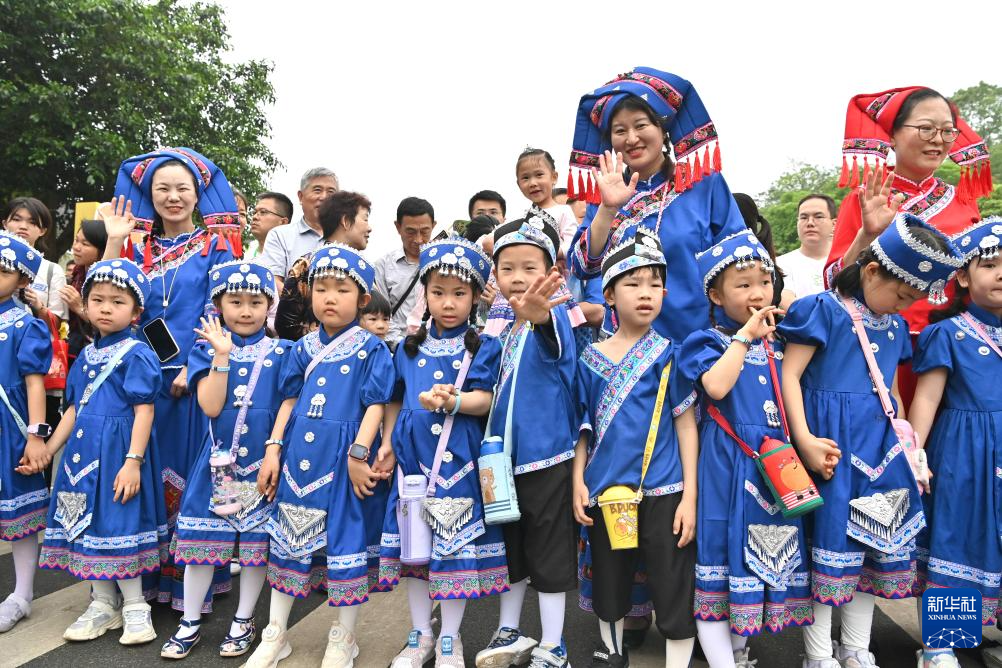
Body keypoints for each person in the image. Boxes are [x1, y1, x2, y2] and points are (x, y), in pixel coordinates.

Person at [779, 214, 963, 668]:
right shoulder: (820, 310)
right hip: (829, 450)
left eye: (913, 300)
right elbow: (790, 376)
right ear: (872, 271)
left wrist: (908, 448)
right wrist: (804, 439)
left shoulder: (895, 327)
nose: (903, 307)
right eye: (901, 296)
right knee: (825, 551)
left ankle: (857, 649)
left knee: (871, 549)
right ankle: (818, 654)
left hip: (879, 452)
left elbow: (892, 394)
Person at [105, 146, 238, 609]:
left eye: (183, 188)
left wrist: (194, 363)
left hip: (189, 382)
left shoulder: (216, 247)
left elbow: (218, 310)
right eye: (162, 188)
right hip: (139, 380)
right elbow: (110, 292)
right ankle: (139, 580)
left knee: (187, 477)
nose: (173, 196)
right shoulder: (135, 249)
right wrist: (113, 241)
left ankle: (190, 584)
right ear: (150, 195)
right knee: (139, 472)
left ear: (198, 195)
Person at [250, 244, 395, 668]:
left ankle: (344, 636)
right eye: (322, 289)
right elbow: (289, 400)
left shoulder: (372, 349)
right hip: (299, 454)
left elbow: (376, 404)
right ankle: (275, 632)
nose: (330, 298)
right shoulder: (302, 348)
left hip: (345, 454)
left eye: (342, 290)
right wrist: (273, 449)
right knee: (287, 537)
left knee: (346, 539)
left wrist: (359, 453)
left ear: (362, 299)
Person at [683, 230, 812, 668]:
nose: (758, 293)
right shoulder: (706, 341)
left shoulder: (782, 344)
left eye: (765, 281)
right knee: (719, 564)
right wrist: (744, 337)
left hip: (775, 468)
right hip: (726, 464)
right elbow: (717, 387)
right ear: (716, 295)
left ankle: (738, 653)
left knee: (757, 563)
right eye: (743, 284)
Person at [379, 237, 508, 667]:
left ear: (474, 297)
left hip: (459, 461)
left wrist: (454, 401)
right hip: (412, 462)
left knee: (453, 550)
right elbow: (394, 398)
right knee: (416, 550)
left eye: (459, 293)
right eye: (438, 292)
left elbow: (484, 400)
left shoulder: (484, 346)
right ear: (425, 294)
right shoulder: (406, 348)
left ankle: (451, 637)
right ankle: (421, 634)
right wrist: (387, 443)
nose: (448, 303)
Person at [572, 229, 698, 668]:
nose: (646, 293)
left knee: (673, 582)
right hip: (607, 491)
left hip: (665, 489)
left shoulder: (671, 354)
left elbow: (686, 425)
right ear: (609, 294)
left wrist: (690, 497)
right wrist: (577, 483)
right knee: (610, 582)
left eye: (655, 284)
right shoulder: (589, 359)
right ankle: (612, 655)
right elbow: (582, 430)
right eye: (633, 283)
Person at [824, 87, 988, 406]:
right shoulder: (864, 199)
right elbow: (834, 282)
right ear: (893, 135)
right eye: (926, 128)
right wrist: (867, 234)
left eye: (947, 131)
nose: (938, 139)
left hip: (954, 349)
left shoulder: (964, 202)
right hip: (881, 346)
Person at [163, 261, 291, 659]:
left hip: (264, 464)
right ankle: (189, 621)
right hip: (219, 464)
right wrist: (222, 355)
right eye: (235, 302)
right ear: (219, 304)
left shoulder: (284, 351)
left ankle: (243, 618)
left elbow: (289, 403)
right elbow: (211, 406)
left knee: (254, 546)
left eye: (256, 302)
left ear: (269, 305)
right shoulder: (206, 348)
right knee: (203, 542)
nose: (246, 310)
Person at [568, 67, 747, 346]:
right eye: (619, 130)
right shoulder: (604, 195)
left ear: (663, 130)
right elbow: (582, 267)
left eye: (641, 125)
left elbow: (739, 258)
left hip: (701, 341)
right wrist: (607, 209)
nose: (631, 139)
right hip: (626, 347)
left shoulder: (703, 184)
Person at [36, 258, 164, 645]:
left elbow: (145, 410)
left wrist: (133, 461)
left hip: (119, 455)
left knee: (119, 521)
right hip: (81, 456)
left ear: (136, 312)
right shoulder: (87, 356)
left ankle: (136, 606)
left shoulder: (137, 353)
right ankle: (103, 603)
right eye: (98, 300)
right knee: (88, 525)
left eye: (117, 302)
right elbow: (74, 409)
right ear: (86, 305)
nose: (106, 308)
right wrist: (49, 450)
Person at [475, 213, 577, 668]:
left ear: (550, 271)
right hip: (502, 459)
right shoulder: (502, 329)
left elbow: (557, 346)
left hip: (546, 457)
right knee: (510, 549)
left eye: (529, 267)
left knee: (549, 551)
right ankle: (509, 629)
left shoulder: (556, 318)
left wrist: (541, 317)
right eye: (507, 267)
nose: (517, 277)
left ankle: (554, 644)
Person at [909, 218, 1002, 668]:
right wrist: (914, 453)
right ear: (962, 277)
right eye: (990, 264)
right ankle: (943, 643)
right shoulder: (948, 332)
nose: (1001, 273)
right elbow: (926, 399)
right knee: (956, 536)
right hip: (964, 454)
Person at [0, 232, 52, 634]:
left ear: (22, 280)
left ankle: (22, 593)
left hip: (11, 427)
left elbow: (35, 384)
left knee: (20, 511)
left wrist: (36, 436)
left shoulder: (25, 324)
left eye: (2, 272)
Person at [3, 197, 69, 427]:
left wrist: (39, 308)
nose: (23, 226)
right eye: (16, 219)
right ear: (4, 223)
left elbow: (60, 327)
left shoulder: (51, 271)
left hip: (36, 366)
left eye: (32, 222)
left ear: (42, 230)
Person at [274, 190, 372, 341]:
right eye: (365, 219)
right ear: (346, 221)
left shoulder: (364, 268)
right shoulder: (306, 266)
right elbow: (285, 325)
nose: (369, 228)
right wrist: (322, 342)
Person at [259, 167, 339, 288]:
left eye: (331, 192)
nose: (324, 197)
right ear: (301, 197)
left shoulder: (347, 237)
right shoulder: (280, 236)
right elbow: (272, 281)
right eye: (317, 190)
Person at [374, 197, 436, 347]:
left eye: (424, 232)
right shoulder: (383, 266)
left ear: (433, 226)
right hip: (397, 348)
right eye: (411, 232)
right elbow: (381, 315)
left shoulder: (444, 264)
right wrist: (403, 347)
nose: (418, 239)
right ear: (398, 227)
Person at [61, 219, 108, 368]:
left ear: (102, 249)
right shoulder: (77, 274)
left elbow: (109, 323)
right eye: (76, 240)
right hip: (72, 347)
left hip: (98, 352)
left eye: (85, 244)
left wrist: (79, 307)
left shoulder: (110, 280)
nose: (76, 247)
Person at [516, 148, 578, 256]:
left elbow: (572, 244)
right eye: (525, 178)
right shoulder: (520, 217)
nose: (533, 183)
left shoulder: (563, 211)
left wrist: (549, 253)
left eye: (539, 175)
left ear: (554, 177)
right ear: (519, 184)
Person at [777, 195, 836, 299]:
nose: (810, 223)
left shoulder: (847, 261)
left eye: (818, 217)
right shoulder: (780, 264)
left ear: (834, 224)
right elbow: (789, 303)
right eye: (804, 218)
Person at [247, 192, 293, 258]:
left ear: (283, 222)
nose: (254, 217)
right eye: (254, 212)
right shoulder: (245, 256)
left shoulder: (294, 258)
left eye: (263, 212)